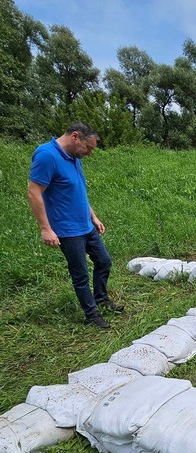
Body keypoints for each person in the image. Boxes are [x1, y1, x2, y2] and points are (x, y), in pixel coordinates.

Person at [27, 122, 123, 329]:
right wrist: (45, 228)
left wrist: (94, 217)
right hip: (67, 230)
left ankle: (101, 298)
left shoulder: (74, 158)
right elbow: (34, 191)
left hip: (85, 225)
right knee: (80, 274)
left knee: (104, 261)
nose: (89, 153)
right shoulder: (46, 155)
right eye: (87, 148)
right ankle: (92, 315)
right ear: (75, 137)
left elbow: (78, 192)